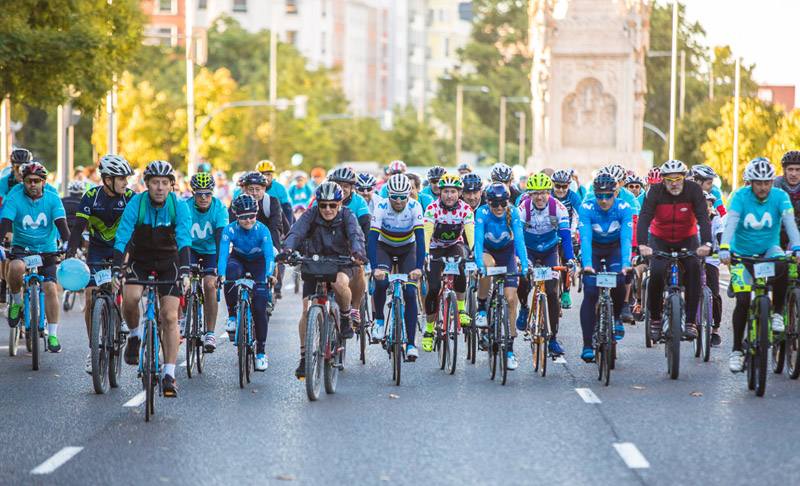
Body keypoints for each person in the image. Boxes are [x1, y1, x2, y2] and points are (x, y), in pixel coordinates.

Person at [113, 160, 192, 397]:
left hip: (169, 263)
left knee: (169, 316)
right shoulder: (136, 204)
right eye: (155, 183)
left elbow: (185, 240)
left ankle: (169, 374)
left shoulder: (178, 206)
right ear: (146, 184)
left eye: (164, 183)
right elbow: (123, 237)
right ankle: (135, 337)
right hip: (141, 260)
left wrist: (186, 272)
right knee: (131, 298)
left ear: (171, 186)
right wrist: (118, 269)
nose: (159, 187)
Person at [278, 182, 366, 379]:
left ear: (340, 203)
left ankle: (344, 318)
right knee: (306, 311)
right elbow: (296, 231)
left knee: (339, 284)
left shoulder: (347, 216)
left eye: (332, 205)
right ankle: (304, 358)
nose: (327, 209)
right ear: (318, 203)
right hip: (315, 262)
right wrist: (287, 249)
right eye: (323, 205)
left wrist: (357, 252)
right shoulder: (311, 214)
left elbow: (355, 235)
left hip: (341, 262)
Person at [720, 158, 800, 372]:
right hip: (741, 255)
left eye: (767, 182)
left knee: (783, 262)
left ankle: (777, 313)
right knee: (743, 300)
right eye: (758, 183)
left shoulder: (780, 196)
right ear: (751, 182)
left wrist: (798, 248)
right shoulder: (739, 197)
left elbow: (790, 225)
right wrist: (724, 248)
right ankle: (737, 350)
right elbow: (731, 224)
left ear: (772, 182)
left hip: (768, 250)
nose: (763, 187)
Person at [66, 154, 135, 373]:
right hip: (96, 251)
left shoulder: (131, 198)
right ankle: (93, 349)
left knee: (123, 283)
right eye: (122, 178)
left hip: (122, 250)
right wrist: (69, 253)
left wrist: (129, 261)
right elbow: (77, 229)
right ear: (107, 179)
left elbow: (136, 232)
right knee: (90, 296)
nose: (126, 182)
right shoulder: (91, 197)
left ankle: (121, 316)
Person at [637, 159, 712, 342]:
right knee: (655, 272)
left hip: (687, 238)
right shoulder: (654, 192)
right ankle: (655, 318)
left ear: (685, 178)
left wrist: (707, 244)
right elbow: (644, 217)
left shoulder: (693, 191)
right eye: (669, 179)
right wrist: (642, 245)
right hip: (659, 238)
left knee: (694, 268)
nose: (674, 183)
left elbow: (703, 217)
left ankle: (690, 323)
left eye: (678, 178)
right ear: (662, 179)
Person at [1, 162, 70, 352]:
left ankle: (53, 334)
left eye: (37, 181)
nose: (33, 184)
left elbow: (61, 224)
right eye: (29, 181)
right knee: (15, 268)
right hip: (22, 247)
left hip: (46, 249)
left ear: (43, 182)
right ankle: (16, 302)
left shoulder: (53, 198)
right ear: (23, 181)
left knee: (49, 287)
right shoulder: (15, 197)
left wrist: (66, 243)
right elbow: (5, 222)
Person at [516, 174, 574, 356]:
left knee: (551, 292)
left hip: (549, 250)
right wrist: (520, 260)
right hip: (529, 249)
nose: (539, 197)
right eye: (535, 194)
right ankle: (524, 307)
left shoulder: (559, 208)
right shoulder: (522, 209)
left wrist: (570, 260)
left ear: (549, 193)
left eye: (543, 193)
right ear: (529, 195)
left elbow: (565, 236)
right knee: (523, 279)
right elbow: (517, 236)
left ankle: (553, 340)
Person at [577, 174, 633, 362]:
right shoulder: (586, 208)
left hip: (615, 249)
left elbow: (626, 239)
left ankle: (616, 318)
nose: (603, 200)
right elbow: (585, 238)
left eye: (608, 196)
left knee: (619, 281)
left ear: (615, 193)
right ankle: (587, 344)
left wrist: (626, 264)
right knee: (591, 291)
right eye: (599, 195)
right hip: (593, 249)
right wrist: (586, 265)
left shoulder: (624, 208)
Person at [368, 174, 424, 360]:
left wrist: (418, 268)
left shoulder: (415, 206)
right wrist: (375, 267)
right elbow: (372, 239)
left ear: (409, 195)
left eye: (403, 197)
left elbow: (421, 241)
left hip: (408, 249)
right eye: (394, 197)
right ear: (388, 194)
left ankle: (410, 344)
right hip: (384, 247)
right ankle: (378, 320)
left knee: (409, 292)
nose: (399, 201)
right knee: (382, 283)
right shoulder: (381, 207)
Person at [473, 183, 529, 369]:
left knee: (511, 299)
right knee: (487, 266)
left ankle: (511, 349)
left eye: (502, 204)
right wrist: (479, 266)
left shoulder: (513, 213)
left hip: (506, 253)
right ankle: (482, 307)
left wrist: (526, 265)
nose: (498, 208)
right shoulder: (481, 213)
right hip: (487, 251)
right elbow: (478, 241)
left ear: (507, 202)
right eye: (494, 204)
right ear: (488, 202)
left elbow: (520, 240)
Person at [218, 194, 276, 371]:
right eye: (243, 217)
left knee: (259, 308)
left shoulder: (262, 230)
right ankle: (233, 316)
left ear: (256, 215)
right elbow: (222, 254)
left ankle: (261, 353)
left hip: (259, 264)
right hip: (239, 261)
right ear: (236, 217)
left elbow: (269, 255)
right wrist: (220, 274)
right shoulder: (230, 230)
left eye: (251, 216)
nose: (248, 220)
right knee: (230, 272)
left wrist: (269, 274)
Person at [421, 174, 474, 352]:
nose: (449, 196)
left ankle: (461, 309)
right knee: (434, 288)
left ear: (459, 193)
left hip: (454, 245)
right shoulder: (432, 208)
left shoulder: (466, 209)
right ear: (440, 193)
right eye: (445, 192)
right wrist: (426, 253)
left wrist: (473, 251)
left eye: (453, 192)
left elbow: (470, 232)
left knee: (461, 262)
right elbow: (427, 232)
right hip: (435, 248)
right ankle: (429, 331)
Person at [184, 172, 229, 352]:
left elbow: (221, 238)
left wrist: (220, 264)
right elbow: (182, 236)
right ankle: (183, 316)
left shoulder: (220, 208)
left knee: (210, 285)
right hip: (191, 249)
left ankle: (210, 332)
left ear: (212, 193)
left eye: (207, 193)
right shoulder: (185, 207)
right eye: (199, 193)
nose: (203, 197)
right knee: (184, 280)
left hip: (211, 251)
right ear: (193, 193)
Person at [324, 167, 370, 325]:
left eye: (346, 186)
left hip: (353, 244)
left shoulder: (359, 201)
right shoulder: (324, 197)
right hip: (329, 244)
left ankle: (355, 310)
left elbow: (366, 226)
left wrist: (366, 252)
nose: (342, 189)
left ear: (352, 188)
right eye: (338, 185)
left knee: (358, 268)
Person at [550, 169, 581, 309]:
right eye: (558, 186)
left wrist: (576, 232)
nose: (561, 190)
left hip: (567, 232)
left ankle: (566, 292)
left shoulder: (573, 197)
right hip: (550, 232)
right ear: (552, 185)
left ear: (569, 186)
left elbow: (580, 215)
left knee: (565, 259)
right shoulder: (547, 195)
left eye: (564, 186)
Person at [774, 151, 800, 250]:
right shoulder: (775, 185)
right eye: (790, 169)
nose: (794, 174)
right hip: (777, 233)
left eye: (798, 170)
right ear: (784, 170)